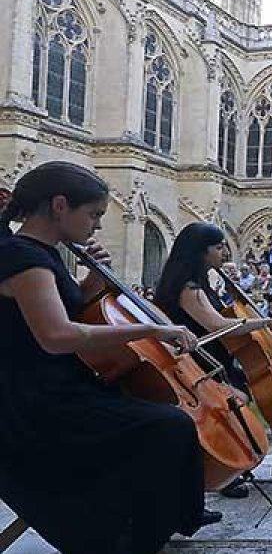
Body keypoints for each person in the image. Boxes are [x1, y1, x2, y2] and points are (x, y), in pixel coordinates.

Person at [0, 161, 216, 554]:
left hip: (57, 388)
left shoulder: (39, 254)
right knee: (166, 427)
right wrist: (152, 329)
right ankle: (125, 538)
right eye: (94, 214)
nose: (98, 225)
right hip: (33, 404)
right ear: (60, 205)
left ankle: (130, 529)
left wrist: (94, 281)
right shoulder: (24, 259)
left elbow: (67, 309)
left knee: (166, 423)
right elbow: (58, 335)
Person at [155, 222, 272, 489]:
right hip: (200, 365)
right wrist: (265, 322)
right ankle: (227, 468)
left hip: (218, 360)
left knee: (269, 389)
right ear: (200, 252)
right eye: (218, 248)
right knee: (238, 398)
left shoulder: (202, 284)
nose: (225, 253)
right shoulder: (189, 288)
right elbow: (217, 326)